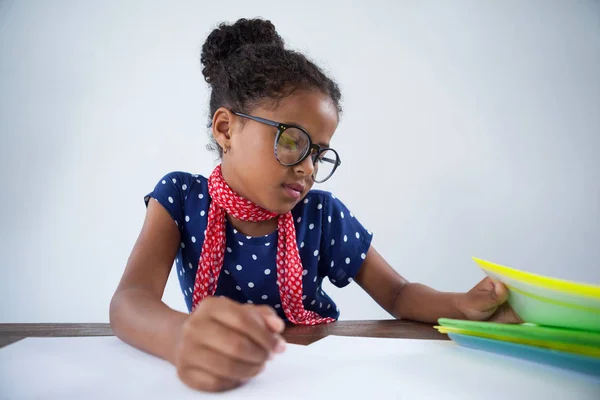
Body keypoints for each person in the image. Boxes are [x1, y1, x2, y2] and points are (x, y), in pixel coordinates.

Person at [109, 17, 520, 393]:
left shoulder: (322, 216)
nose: (307, 167)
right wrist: (182, 338)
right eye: (292, 141)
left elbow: (396, 294)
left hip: (317, 381)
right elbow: (130, 300)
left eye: (319, 154)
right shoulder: (180, 199)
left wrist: (459, 306)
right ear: (226, 128)